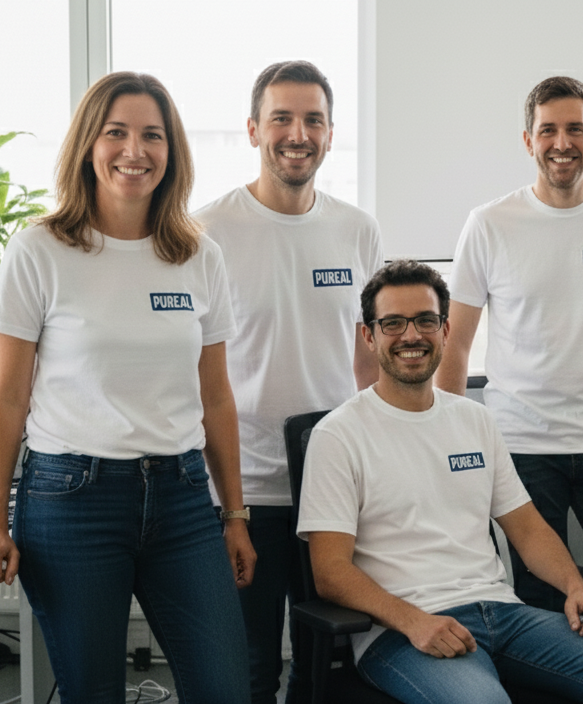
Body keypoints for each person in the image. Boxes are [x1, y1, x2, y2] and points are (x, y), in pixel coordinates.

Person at [0, 72, 252, 702]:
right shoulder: (39, 250)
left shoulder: (199, 255)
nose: (134, 150)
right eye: (115, 132)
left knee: (226, 687)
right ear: (88, 144)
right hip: (72, 499)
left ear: (172, 151)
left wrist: (234, 513)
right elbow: (7, 398)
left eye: (153, 135)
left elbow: (217, 398)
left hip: (180, 501)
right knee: (91, 691)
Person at [298, 260, 583, 704]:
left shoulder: (475, 420)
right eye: (393, 323)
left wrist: (575, 587)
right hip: (401, 631)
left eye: (425, 321)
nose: (411, 336)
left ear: (446, 331)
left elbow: (527, 529)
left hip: (504, 615)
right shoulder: (339, 434)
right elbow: (330, 573)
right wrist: (414, 621)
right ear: (369, 335)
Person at [435, 76, 583, 654]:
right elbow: (456, 343)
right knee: (537, 598)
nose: (561, 143)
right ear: (528, 141)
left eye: (575, 129)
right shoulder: (490, 224)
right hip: (520, 446)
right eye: (549, 130)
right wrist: (442, 443)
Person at [196, 59, 383, 704]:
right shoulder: (205, 233)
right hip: (242, 492)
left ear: (331, 134)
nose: (297, 134)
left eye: (313, 120)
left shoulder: (356, 229)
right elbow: (192, 371)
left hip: (332, 491)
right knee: (248, 666)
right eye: (282, 118)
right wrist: (226, 506)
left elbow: (367, 362)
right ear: (253, 129)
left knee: (328, 664)